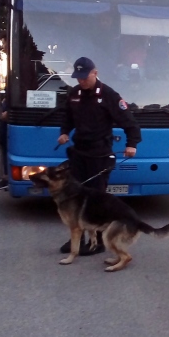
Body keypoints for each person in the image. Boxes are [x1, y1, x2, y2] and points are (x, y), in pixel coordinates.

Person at [57, 57, 141, 255]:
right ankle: (79, 239)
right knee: (75, 198)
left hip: (99, 154)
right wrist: (64, 132)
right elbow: (67, 117)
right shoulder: (74, 93)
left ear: (95, 73)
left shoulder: (108, 95)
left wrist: (132, 144)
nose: (81, 81)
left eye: (84, 77)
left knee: (95, 200)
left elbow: (130, 122)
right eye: (78, 78)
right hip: (79, 153)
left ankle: (99, 242)